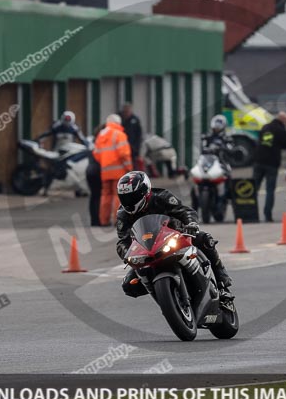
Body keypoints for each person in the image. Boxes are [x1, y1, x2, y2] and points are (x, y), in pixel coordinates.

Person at [115, 170, 233, 301]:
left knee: (204, 239)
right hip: (147, 251)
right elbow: (123, 241)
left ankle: (223, 283)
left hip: (176, 237)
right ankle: (166, 297)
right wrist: (128, 255)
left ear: (145, 191)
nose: (129, 201)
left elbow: (185, 211)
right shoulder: (123, 214)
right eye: (125, 198)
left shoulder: (162, 196)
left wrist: (191, 224)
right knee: (129, 286)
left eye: (133, 196)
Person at [94, 114, 133, 226]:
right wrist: (129, 168)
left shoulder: (101, 135)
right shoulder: (119, 134)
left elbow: (96, 153)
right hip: (119, 171)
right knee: (118, 195)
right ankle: (118, 220)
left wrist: (105, 163)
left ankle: (104, 220)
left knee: (105, 195)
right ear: (118, 123)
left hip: (105, 171)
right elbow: (124, 154)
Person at [253, 111, 286, 222]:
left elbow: (259, 140)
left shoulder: (265, 127)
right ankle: (267, 215)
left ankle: (250, 214)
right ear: (283, 120)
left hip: (258, 161)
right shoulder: (282, 131)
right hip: (272, 164)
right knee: (270, 190)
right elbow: (285, 145)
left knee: (254, 189)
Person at [86, 125, 102, 226]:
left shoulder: (92, 142)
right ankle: (97, 220)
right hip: (97, 170)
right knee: (98, 196)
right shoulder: (102, 142)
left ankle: (93, 220)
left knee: (93, 196)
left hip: (89, 170)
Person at [119, 102, 142, 167]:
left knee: (133, 164)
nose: (126, 113)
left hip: (132, 147)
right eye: (125, 111)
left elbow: (139, 134)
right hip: (122, 147)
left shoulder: (135, 119)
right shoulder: (120, 119)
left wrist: (137, 148)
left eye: (128, 111)